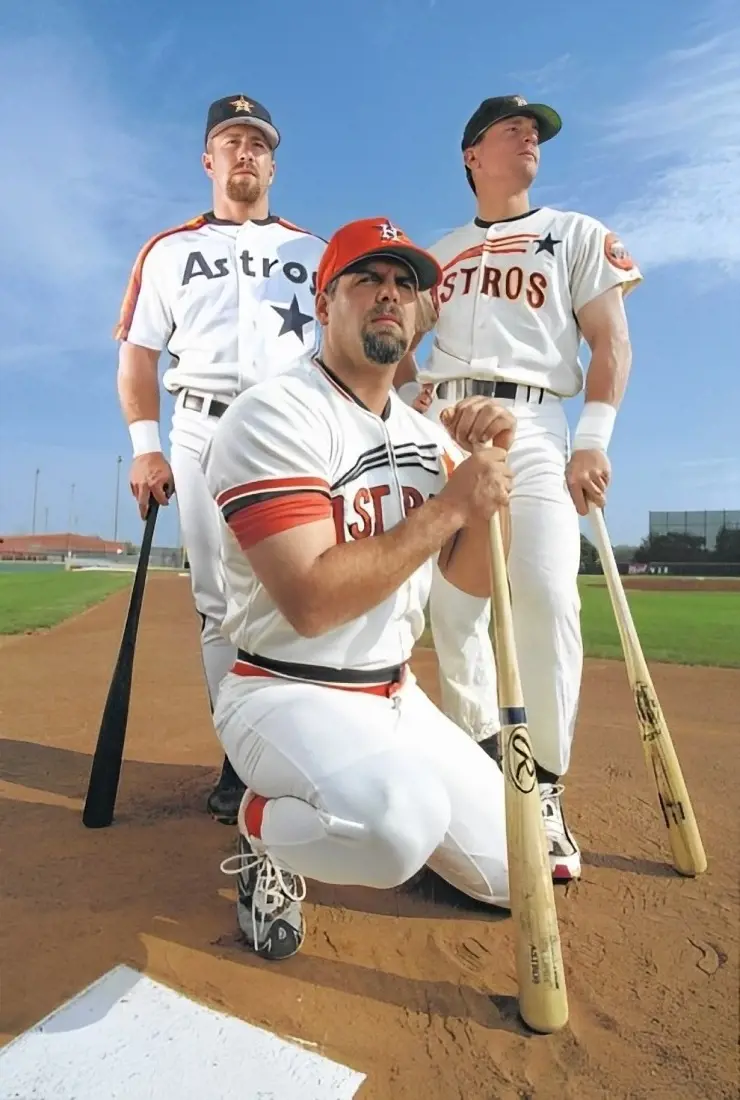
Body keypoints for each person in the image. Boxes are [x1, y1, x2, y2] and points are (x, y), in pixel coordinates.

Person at [202, 216, 517, 959]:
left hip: (395, 695)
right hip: (283, 690)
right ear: (323, 301)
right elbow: (311, 603)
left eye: (406, 284)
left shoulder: (426, 434)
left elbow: (466, 583)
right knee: (395, 829)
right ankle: (261, 828)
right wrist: (449, 506)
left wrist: (489, 485)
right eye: (367, 279)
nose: (390, 295)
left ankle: (357, 794)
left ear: (419, 314)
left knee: (517, 868)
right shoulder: (274, 414)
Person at [395, 95, 642, 882]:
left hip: (531, 420)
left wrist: (592, 442)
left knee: (544, 593)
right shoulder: (440, 252)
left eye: (534, 130)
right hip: (442, 426)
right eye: (512, 127)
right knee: (453, 611)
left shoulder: (572, 232)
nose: (529, 134)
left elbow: (611, 340)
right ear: (472, 154)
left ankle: (542, 788)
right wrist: (420, 400)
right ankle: (480, 771)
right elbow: (395, 341)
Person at [114, 94, 327, 824]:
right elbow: (137, 353)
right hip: (203, 431)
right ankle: (241, 759)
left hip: (297, 430)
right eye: (232, 140)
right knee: (218, 609)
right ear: (209, 159)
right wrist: (146, 450)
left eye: (259, 143)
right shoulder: (168, 251)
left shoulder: (315, 251)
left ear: (273, 162)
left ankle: (303, 750)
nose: (246, 152)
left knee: (306, 598)